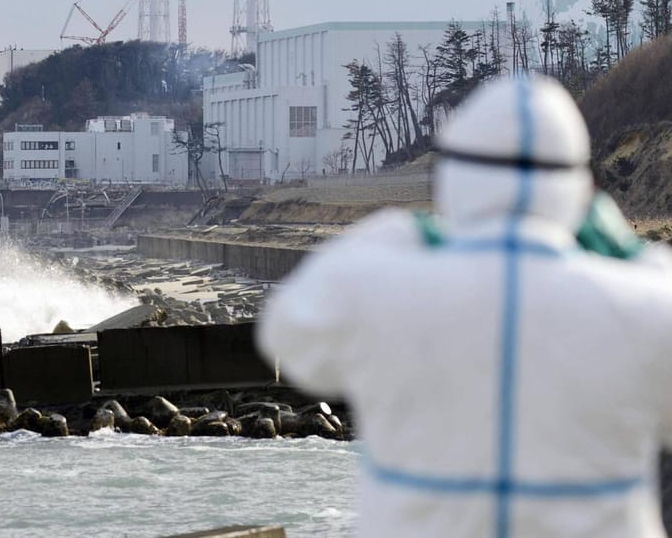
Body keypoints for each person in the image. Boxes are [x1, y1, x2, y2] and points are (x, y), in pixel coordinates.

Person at [258, 74, 672, 537]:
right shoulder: (643, 304)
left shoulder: (387, 291)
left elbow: (290, 337)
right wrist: (641, 259)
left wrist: (398, 233)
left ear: (452, 177)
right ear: (585, 188)